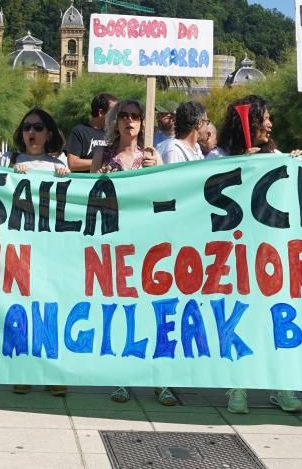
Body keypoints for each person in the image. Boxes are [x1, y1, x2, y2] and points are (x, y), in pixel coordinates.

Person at [218, 95, 302, 414]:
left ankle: (281, 385)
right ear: (248, 122)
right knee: (239, 319)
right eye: (264, 118)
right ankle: (237, 386)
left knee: (275, 319)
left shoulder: (276, 156)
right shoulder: (220, 156)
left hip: (270, 255)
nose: (270, 124)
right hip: (233, 255)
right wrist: (237, 166)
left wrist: (297, 162)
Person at [88, 99, 173, 405]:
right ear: (115, 121)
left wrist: (157, 170)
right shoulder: (103, 155)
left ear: (142, 122)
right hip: (114, 242)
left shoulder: (152, 156)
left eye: (135, 116)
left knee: (152, 310)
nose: (129, 121)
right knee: (119, 310)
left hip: (146, 244)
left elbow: (166, 195)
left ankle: (159, 379)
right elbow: (90, 195)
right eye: (123, 116)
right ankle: (121, 377)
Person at [11, 107, 69, 397]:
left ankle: (52, 372)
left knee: (50, 309)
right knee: (22, 309)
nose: (31, 132)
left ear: (48, 133)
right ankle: (24, 371)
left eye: (37, 127)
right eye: (26, 127)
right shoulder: (11, 161)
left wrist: (66, 177)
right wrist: (10, 174)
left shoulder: (58, 164)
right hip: (20, 248)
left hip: (51, 250)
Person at [65, 92, 117, 172]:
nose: (116, 116)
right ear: (101, 113)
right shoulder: (79, 131)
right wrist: (103, 162)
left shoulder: (115, 133)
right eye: (113, 112)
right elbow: (73, 164)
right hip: (86, 183)